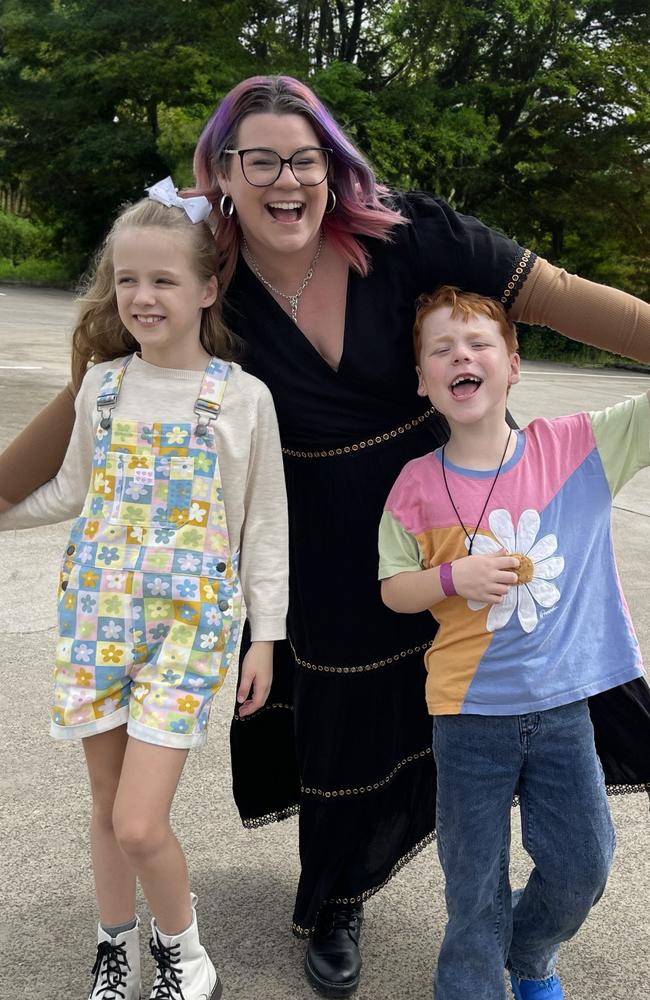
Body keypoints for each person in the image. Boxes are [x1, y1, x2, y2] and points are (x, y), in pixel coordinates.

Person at [1, 75, 650, 998]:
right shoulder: (208, 275)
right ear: (221, 172)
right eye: (257, 159)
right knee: (344, 728)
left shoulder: (409, 234)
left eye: (306, 158)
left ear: (334, 167)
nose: (286, 179)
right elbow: (101, 383)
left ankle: (533, 898)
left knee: (519, 686)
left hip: (445, 509)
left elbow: (556, 296)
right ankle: (339, 900)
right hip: (317, 541)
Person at [0, 185, 288, 1000]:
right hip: (97, 618)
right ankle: (113, 946)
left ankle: (188, 957)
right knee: (103, 803)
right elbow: (71, 492)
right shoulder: (103, 388)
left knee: (138, 819)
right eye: (127, 280)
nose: (141, 297)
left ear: (206, 289)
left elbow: (263, 529)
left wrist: (263, 635)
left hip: (189, 632)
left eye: (162, 280)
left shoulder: (241, 398)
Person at [379, 284, 648, 999]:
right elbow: (394, 589)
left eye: (478, 344)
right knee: (473, 890)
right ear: (422, 380)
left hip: (563, 714)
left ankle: (529, 956)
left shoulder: (576, 447)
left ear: (514, 365)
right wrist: (451, 575)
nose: (460, 356)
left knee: (584, 865)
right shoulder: (414, 484)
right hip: (467, 718)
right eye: (441, 349)